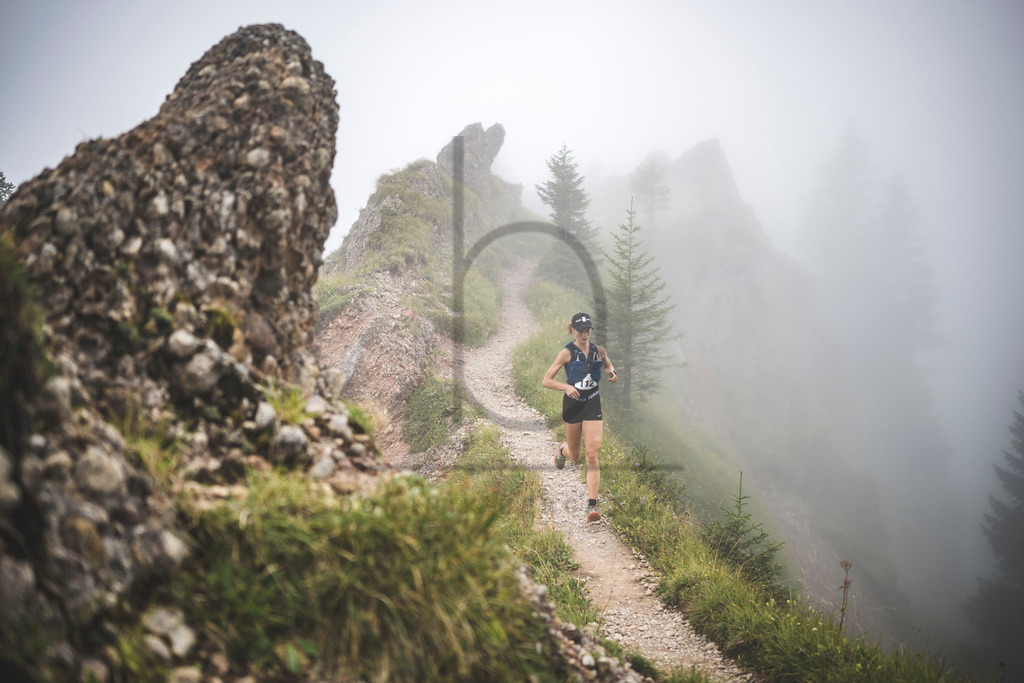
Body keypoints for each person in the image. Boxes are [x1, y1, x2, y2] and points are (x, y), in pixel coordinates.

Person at [542, 311, 617, 522]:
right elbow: (546, 381)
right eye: (581, 330)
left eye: (588, 330)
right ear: (573, 330)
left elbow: (608, 365)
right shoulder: (566, 353)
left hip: (592, 403)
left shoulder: (598, 351)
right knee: (575, 455)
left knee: (592, 454)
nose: (585, 334)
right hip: (573, 406)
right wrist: (566, 387)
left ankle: (591, 507)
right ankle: (562, 449)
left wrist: (612, 372)